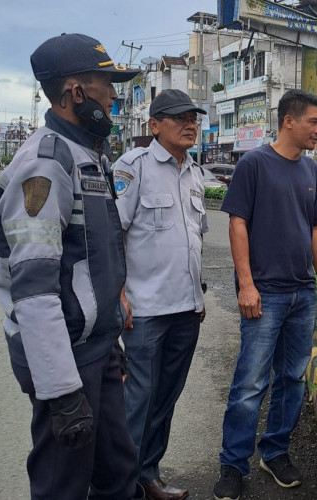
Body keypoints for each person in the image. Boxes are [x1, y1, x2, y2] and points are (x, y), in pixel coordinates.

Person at [0, 33, 144, 499]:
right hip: (65, 362)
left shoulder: (89, 156)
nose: (115, 95)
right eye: (108, 84)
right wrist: (61, 393)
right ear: (76, 92)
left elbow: (94, 259)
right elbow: (34, 290)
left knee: (119, 475)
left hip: (96, 350)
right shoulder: (46, 163)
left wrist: (111, 332)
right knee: (63, 485)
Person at [213, 89, 317, 500]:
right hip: (264, 294)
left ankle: (276, 451)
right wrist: (246, 284)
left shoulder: (311, 173)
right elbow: (237, 225)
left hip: (302, 293)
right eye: (314, 122)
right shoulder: (254, 164)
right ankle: (233, 464)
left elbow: (316, 229)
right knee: (250, 384)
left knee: (292, 380)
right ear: (289, 121)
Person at [113, 89, 209, 500]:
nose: (190, 124)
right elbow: (112, 234)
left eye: (194, 118)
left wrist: (199, 298)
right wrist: (117, 293)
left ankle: (148, 474)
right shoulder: (132, 168)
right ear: (153, 126)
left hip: (186, 308)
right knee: (138, 401)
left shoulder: (195, 172)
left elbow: (194, 241)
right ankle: (121, 484)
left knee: (165, 400)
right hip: (146, 309)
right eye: (179, 118)